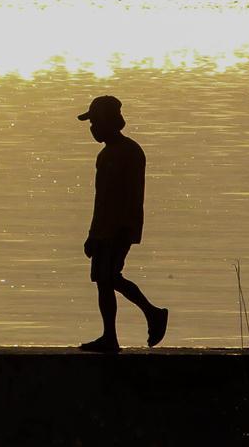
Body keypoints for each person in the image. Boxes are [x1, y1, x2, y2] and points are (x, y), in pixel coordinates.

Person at [77, 95, 168, 352]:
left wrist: (121, 230)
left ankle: (153, 313)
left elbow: (126, 196)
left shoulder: (127, 152)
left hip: (118, 228)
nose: (92, 128)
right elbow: (101, 200)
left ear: (108, 121)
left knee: (109, 277)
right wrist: (93, 234)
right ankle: (110, 337)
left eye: (95, 122)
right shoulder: (107, 154)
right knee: (104, 281)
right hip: (105, 228)